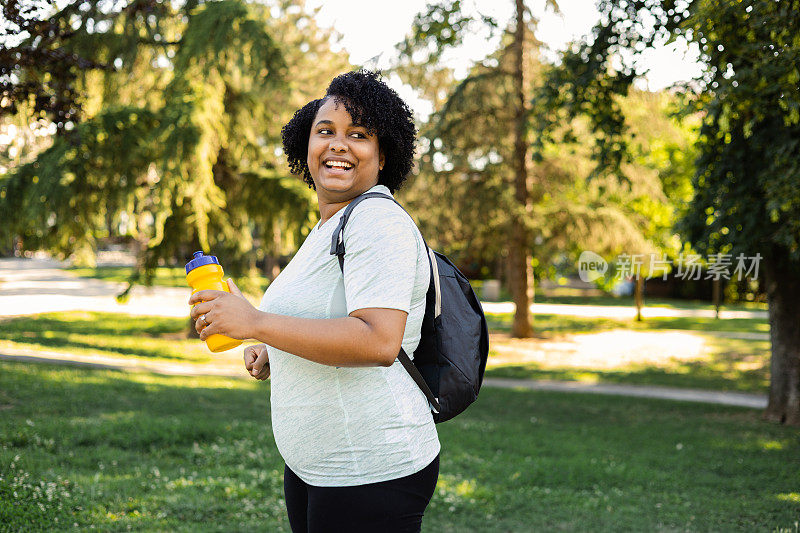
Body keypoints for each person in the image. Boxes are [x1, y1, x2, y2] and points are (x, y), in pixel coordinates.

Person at [188, 69, 440, 532]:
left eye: (358, 135)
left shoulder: (378, 221)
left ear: (383, 155)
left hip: (369, 470)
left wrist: (258, 323)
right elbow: (325, 319)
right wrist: (275, 349)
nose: (338, 144)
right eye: (325, 131)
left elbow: (378, 342)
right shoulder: (330, 225)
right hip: (317, 467)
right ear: (307, 147)